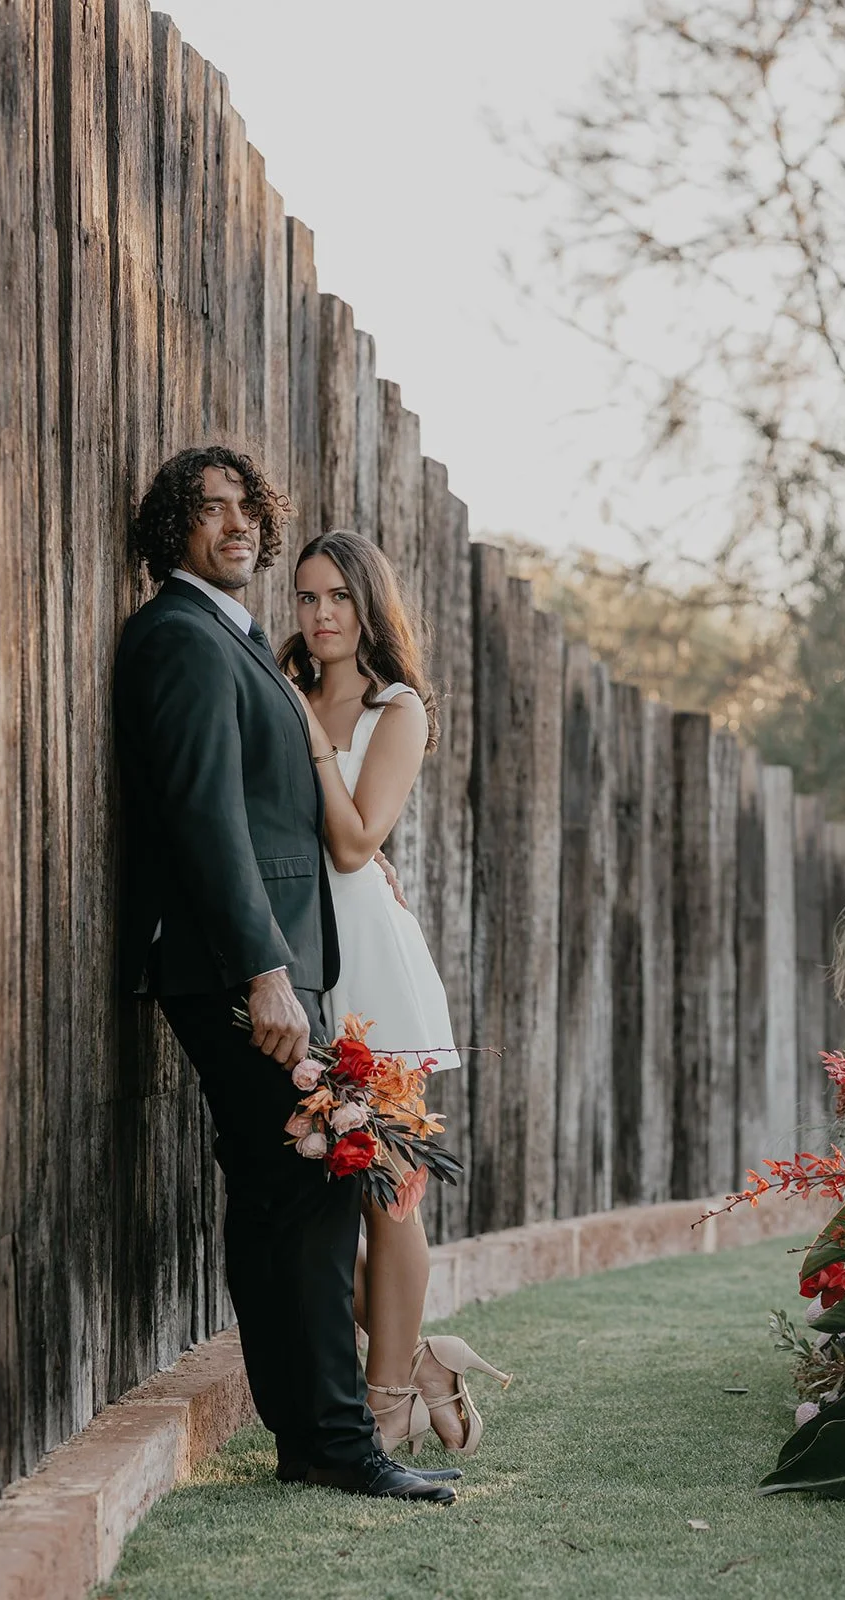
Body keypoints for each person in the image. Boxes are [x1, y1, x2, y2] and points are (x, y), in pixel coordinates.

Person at [113, 446, 458, 1502]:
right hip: (241, 968)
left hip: (288, 964)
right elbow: (206, 813)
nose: (231, 526)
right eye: (205, 511)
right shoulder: (178, 635)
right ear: (171, 530)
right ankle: (337, 1441)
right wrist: (266, 970)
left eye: (242, 509)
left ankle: (318, 1437)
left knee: (290, 1195)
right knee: (304, 1192)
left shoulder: (237, 639)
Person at [279, 530, 511, 1458]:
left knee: (388, 1188)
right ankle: (421, 1363)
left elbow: (351, 844)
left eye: (337, 596)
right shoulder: (284, 689)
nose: (321, 614)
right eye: (304, 598)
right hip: (297, 961)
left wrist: (313, 741)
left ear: (369, 604)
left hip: (371, 968)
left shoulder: (397, 708)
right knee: (310, 1195)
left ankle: (386, 1396)